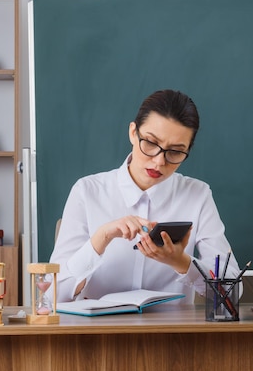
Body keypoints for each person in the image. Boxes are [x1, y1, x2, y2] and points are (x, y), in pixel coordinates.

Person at [49, 89, 240, 303]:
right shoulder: (87, 191)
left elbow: (232, 294)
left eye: (175, 151)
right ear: (133, 132)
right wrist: (101, 238)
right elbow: (53, 296)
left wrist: (182, 263)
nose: (159, 161)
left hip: (171, 334)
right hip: (100, 333)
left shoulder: (198, 195)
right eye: (150, 142)